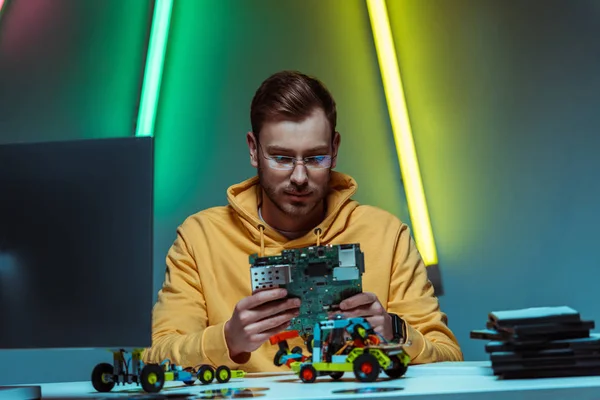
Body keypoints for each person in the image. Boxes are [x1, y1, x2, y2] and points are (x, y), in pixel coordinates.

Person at [142, 70, 463, 371]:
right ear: (254, 150)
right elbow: (154, 358)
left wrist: (393, 329)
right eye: (281, 158)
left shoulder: (386, 234)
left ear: (334, 149)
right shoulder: (200, 238)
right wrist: (226, 339)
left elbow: (449, 358)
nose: (299, 176)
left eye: (315, 157)